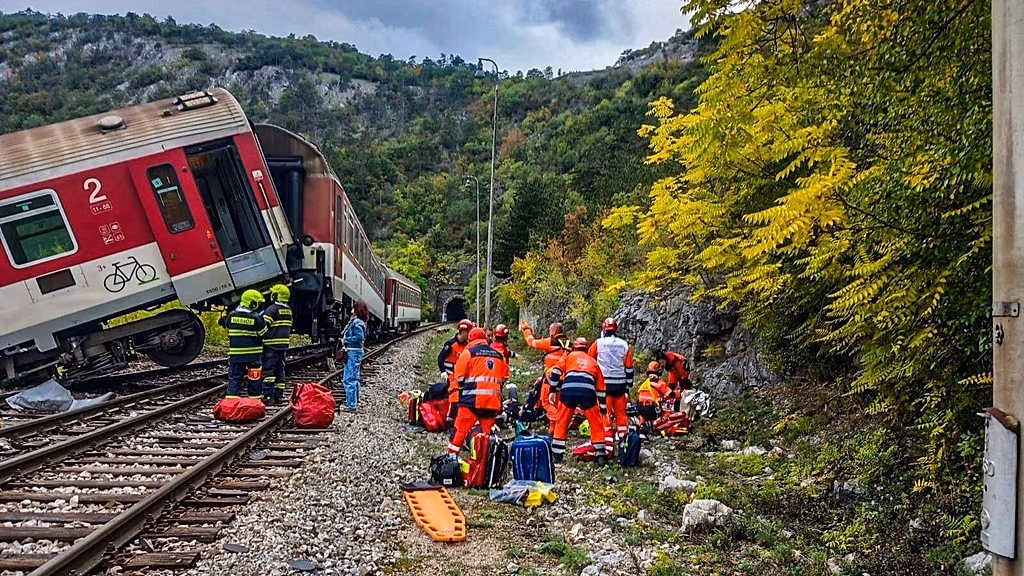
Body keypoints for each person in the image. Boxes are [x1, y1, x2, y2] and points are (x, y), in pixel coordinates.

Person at [446, 327, 509, 455]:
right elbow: (504, 376)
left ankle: (451, 458)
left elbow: (459, 377)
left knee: (460, 431)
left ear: (470, 339)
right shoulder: (498, 354)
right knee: (485, 435)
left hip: (471, 401)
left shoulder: (468, 352)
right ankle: (484, 463)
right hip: (492, 403)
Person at [548, 337, 608, 465]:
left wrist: (552, 390)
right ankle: (601, 454)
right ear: (587, 349)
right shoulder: (593, 362)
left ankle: (557, 454)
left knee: (562, 421)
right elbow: (601, 389)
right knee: (595, 423)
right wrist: (603, 409)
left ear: (574, 347)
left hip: (568, 390)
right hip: (587, 391)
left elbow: (556, 371)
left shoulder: (569, 356)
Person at [588, 317, 634, 449]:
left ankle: (607, 441)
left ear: (604, 329)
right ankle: (623, 440)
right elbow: (629, 367)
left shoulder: (598, 343)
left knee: (605, 413)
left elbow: (589, 360)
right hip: (620, 385)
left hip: (604, 385)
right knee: (621, 413)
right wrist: (629, 384)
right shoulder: (623, 344)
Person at [520, 320, 571, 432]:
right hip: (564, 379)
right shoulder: (568, 343)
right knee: (556, 404)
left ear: (553, 331)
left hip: (551, 379)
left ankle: (560, 422)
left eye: (549, 330)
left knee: (547, 403)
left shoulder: (551, 341)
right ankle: (553, 430)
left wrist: (526, 330)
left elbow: (531, 343)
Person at [221, 289, 268, 399]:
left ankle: (231, 403)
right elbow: (264, 334)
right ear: (252, 303)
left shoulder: (232, 315)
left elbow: (227, 326)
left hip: (236, 355)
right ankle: (255, 402)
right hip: (253, 356)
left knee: (234, 379)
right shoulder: (256, 317)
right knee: (254, 379)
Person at [260, 284, 293, 406]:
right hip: (283, 345)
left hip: (271, 345)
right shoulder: (288, 310)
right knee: (280, 370)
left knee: (268, 370)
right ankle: (279, 396)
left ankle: (268, 396)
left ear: (275, 295)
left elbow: (264, 326)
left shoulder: (272, 310)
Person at [439, 319, 474, 409]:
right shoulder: (451, 344)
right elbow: (440, 357)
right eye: (468, 332)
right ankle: (450, 416)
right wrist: (443, 371)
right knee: (454, 396)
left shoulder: (468, 345)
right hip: (451, 376)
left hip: (463, 377)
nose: (470, 335)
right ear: (462, 331)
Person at [342, 301, 369, 412]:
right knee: (355, 377)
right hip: (356, 351)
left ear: (357, 309)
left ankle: (351, 405)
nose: (351, 309)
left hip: (353, 351)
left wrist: (345, 340)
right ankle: (354, 401)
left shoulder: (357, 322)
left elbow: (359, 337)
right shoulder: (357, 321)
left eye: (354, 307)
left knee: (349, 378)